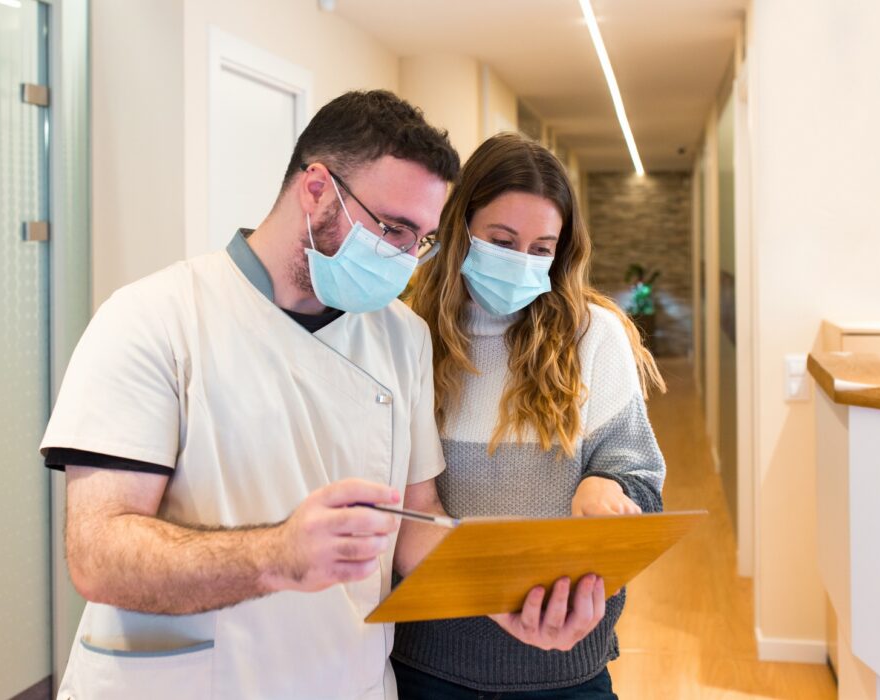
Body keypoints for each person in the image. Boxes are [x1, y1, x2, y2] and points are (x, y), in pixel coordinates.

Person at [40, 92, 599, 700]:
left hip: (347, 680)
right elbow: (97, 554)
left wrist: (504, 593)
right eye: (392, 228)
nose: (406, 260)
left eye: (423, 240)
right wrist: (278, 554)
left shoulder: (401, 337)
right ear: (316, 189)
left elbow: (412, 524)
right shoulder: (155, 318)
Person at [393, 132, 668, 699]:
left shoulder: (593, 335)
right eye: (501, 240)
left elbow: (640, 481)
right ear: (458, 228)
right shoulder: (406, 333)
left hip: (567, 668)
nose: (521, 263)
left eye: (542, 248)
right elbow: (402, 501)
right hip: (428, 662)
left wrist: (607, 487)